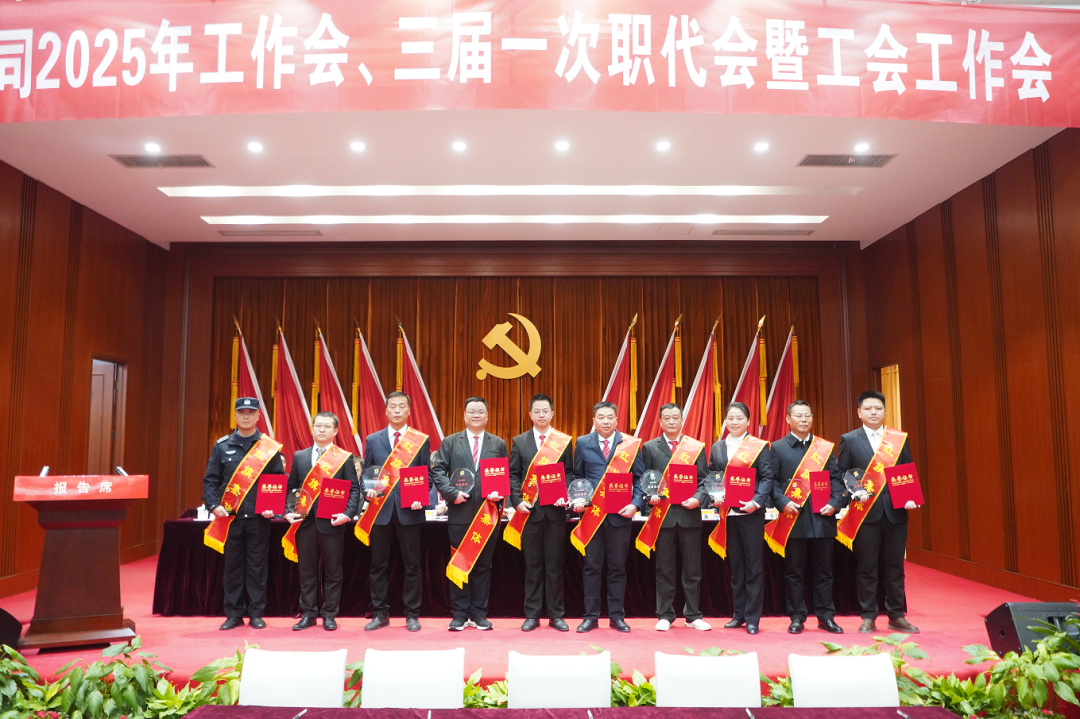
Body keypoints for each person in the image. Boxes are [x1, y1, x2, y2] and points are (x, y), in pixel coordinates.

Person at [838, 390, 920, 634]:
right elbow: (842, 472)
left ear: (884, 411)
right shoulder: (849, 439)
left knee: (895, 568)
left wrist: (909, 496)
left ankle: (896, 615)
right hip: (865, 514)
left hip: (896, 513)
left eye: (878, 408)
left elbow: (906, 469)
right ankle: (868, 616)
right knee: (867, 567)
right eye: (868, 408)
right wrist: (853, 491)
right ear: (859, 412)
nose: (873, 412)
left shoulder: (898, 439)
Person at [202, 397, 286, 631]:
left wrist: (273, 507)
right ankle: (234, 614)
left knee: (257, 567)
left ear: (258, 416)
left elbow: (278, 481)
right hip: (230, 518)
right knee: (233, 567)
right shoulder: (222, 446)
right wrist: (213, 505)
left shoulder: (268, 447)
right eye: (242, 412)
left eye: (251, 412)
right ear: (235, 416)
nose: (246, 416)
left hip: (259, 518)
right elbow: (211, 480)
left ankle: (256, 613)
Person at [431, 397, 509, 631]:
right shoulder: (451, 442)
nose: (476, 415)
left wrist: (499, 494)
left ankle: (479, 613)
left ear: (487, 415)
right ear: (464, 415)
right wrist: (451, 493)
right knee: (459, 563)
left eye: (480, 411)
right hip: (459, 512)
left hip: (487, 514)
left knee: (483, 566)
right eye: (472, 411)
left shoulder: (498, 443)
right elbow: (438, 471)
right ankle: (459, 614)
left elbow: (503, 474)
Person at [768, 400, 845, 634]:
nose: (803, 419)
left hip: (823, 518)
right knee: (794, 572)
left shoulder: (824, 447)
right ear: (788, 419)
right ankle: (797, 617)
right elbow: (772, 482)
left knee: (824, 572)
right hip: (794, 520)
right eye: (798, 415)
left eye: (807, 415)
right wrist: (783, 502)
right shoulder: (777, 448)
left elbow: (836, 479)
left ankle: (826, 616)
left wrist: (835, 503)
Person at [359, 391, 432, 633]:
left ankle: (412, 614)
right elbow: (367, 472)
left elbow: (427, 475)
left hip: (410, 511)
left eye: (402, 406)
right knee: (378, 565)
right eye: (393, 406)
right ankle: (380, 613)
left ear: (409, 410)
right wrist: (367, 491)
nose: (397, 410)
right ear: (386, 410)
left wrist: (421, 497)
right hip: (380, 511)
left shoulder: (420, 439)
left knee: (412, 565)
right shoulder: (373, 439)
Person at [572, 401, 645, 633]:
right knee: (591, 567)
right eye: (601, 417)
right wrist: (577, 498)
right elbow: (577, 477)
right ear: (594, 420)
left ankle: (616, 616)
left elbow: (640, 479)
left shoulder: (630, 444)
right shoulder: (583, 443)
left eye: (609, 417)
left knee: (617, 567)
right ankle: (590, 617)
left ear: (616, 420)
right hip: (592, 516)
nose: (605, 421)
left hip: (620, 516)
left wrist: (635, 504)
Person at [283, 411, 360, 631]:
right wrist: (288, 510)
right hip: (305, 523)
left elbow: (354, 489)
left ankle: (329, 615)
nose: (322, 429)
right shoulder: (300, 456)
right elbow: (292, 487)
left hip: (332, 523)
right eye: (318, 425)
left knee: (333, 572)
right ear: (312, 428)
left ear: (335, 431)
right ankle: (308, 614)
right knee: (306, 571)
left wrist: (347, 514)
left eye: (327, 426)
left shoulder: (344, 457)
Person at [642, 403, 711, 631]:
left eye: (675, 417)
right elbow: (646, 480)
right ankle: (665, 614)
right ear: (660, 421)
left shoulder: (695, 447)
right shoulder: (650, 447)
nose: (671, 421)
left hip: (690, 515)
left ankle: (693, 615)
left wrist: (698, 499)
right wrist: (649, 497)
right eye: (667, 418)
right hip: (663, 517)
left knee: (693, 569)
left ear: (682, 420)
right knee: (665, 569)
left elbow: (704, 480)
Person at [708, 401, 775, 635]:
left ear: (748, 421)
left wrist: (756, 502)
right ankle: (738, 615)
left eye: (739, 418)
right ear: (725, 421)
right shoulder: (718, 447)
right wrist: (715, 496)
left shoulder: (758, 446)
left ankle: (753, 618)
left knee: (754, 567)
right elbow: (714, 476)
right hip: (728, 515)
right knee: (736, 567)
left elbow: (767, 477)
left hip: (751, 514)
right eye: (730, 418)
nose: (734, 422)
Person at [508, 393, 573, 632]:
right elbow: (513, 474)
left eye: (546, 411)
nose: (541, 415)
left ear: (552, 413)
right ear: (530, 414)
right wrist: (516, 501)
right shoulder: (519, 441)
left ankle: (556, 615)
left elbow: (569, 473)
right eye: (537, 411)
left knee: (555, 567)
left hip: (555, 513)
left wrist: (565, 493)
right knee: (533, 567)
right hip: (529, 513)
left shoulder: (563, 441)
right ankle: (532, 615)